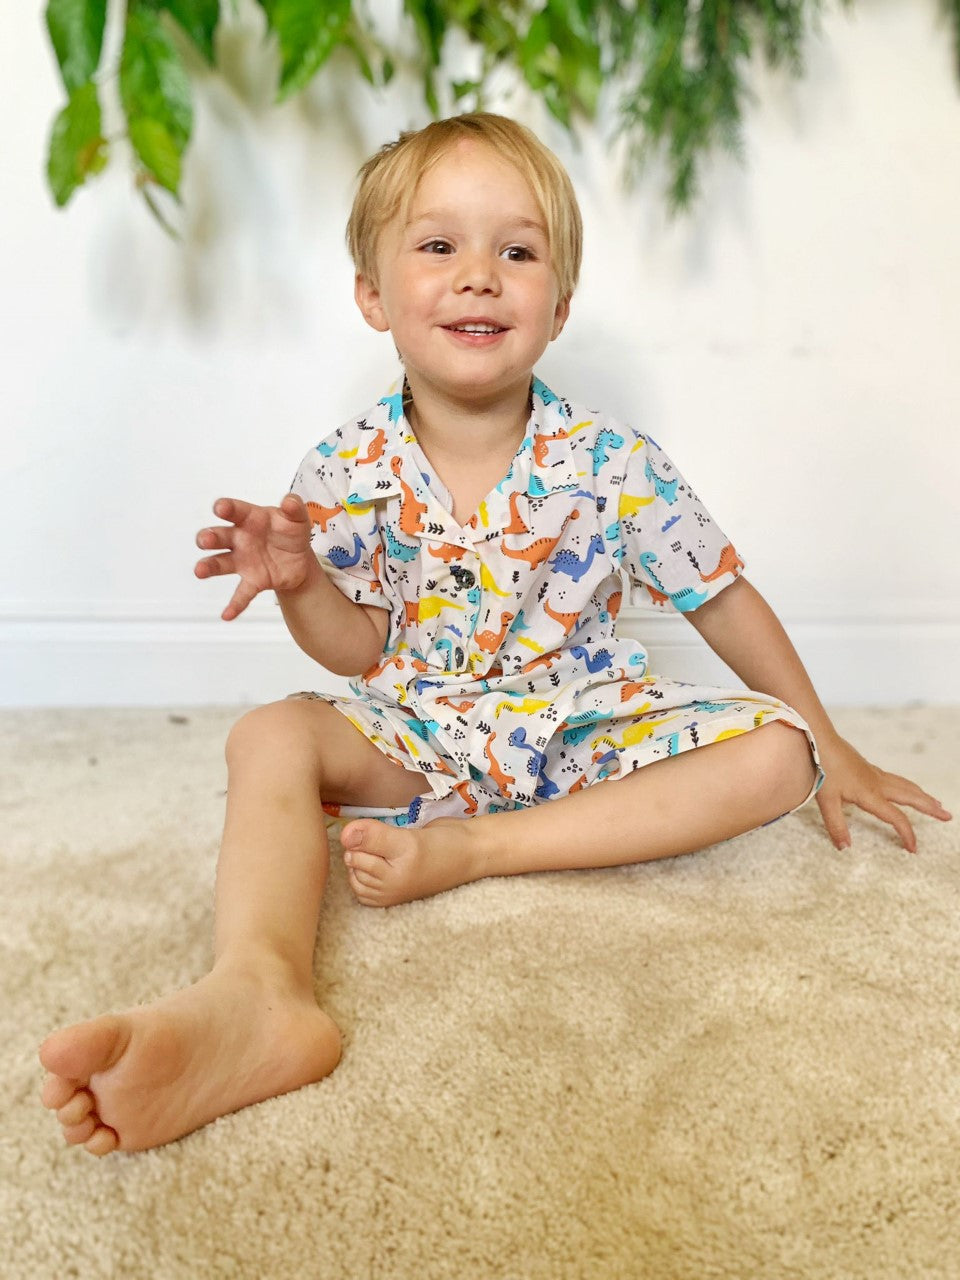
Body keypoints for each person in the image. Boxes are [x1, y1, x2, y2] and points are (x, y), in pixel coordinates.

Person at [38, 113, 951, 1157]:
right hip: (419, 731)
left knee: (778, 754)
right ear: (372, 295)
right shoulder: (343, 467)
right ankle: (259, 990)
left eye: (517, 252)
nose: (479, 275)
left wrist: (831, 739)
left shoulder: (614, 461)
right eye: (439, 246)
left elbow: (722, 598)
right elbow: (357, 648)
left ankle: (475, 850)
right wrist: (299, 585)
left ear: (558, 306)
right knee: (268, 735)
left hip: (582, 734)